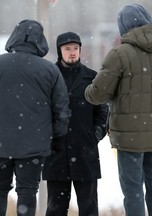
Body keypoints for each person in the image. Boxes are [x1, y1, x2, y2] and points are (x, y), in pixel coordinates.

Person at [85, 4, 152, 216]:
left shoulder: (120, 54)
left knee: (133, 190)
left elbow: (98, 94)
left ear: (123, 27)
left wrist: (87, 91)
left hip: (128, 137)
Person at [0, 19, 71, 216]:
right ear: (39, 41)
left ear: (14, 37)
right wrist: (58, 137)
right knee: (28, 191)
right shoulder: (50, 70)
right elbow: (62, 109)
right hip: (34, 145)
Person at [42, 32, 109, 216]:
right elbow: (40, 114)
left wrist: (95, 135)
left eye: (76, 49)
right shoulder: (49, 78)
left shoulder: (92, 78)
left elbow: (103, 112)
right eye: (67, 49)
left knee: (88, 208)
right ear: (59, 51)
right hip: (56, 154)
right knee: (55, 208)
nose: (72, 52)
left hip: (85, 153)